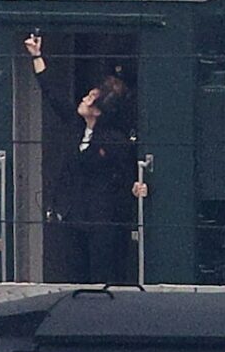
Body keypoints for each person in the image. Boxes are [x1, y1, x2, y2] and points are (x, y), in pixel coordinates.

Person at [24, 34, 147, 283]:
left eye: (90, 99)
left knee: (101, 273)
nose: (84, 99)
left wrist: (136, 186)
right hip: (74, 216)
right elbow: (53, 96)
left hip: (102, 221)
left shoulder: (114, 140)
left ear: (99, 111)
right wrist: (37, 57)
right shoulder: (76, 125)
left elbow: (127, 173)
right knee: (74, 272)